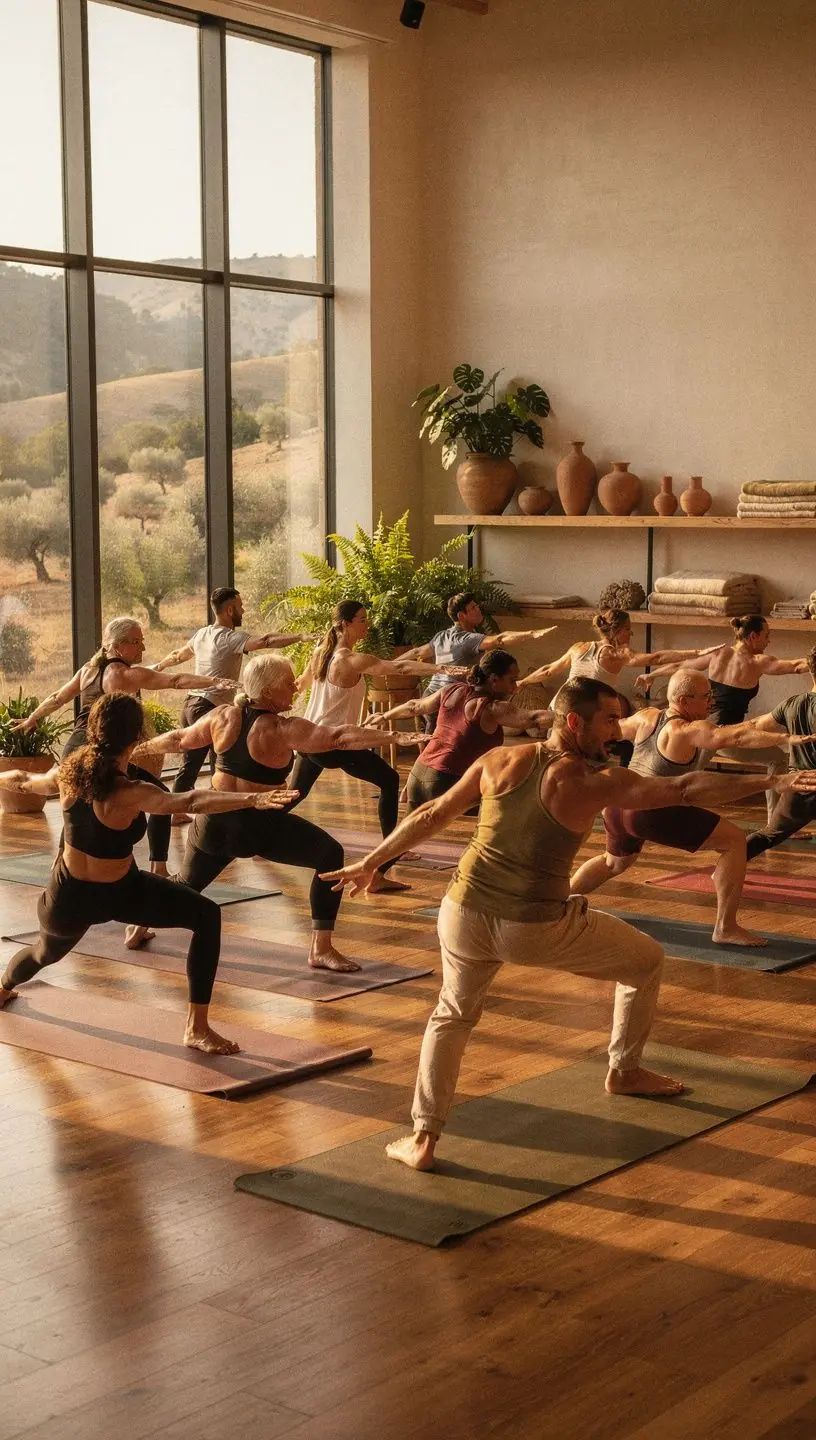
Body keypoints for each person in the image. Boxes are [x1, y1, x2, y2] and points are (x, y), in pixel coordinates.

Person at [319, 676, 816, 1171]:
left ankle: (423, 1138)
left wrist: (373, 863)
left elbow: (432, 812)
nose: (616, 731)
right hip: (534, 925)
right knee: (645, 962)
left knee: (452, 1015)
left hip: (461, 912)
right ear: (574, 722)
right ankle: (623, 1071)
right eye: (607, 721)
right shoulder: (594, 781)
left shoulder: (500, 760)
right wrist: (773, 781)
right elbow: (684, 788)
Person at [0, 693, 295, 1053]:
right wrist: (251, 799)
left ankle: (196, 1028)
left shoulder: (69, 773)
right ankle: (3, 986)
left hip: (106, 891)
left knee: (205, 915)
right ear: (137, 736)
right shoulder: (127, 789)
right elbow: (188, 802)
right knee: (43, 954)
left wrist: (7, 778)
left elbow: (25, 779)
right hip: (82, 898)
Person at [143, 652, 424, 970]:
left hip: (215, 823)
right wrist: (395, 736)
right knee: (329, 855)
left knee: (184, 885)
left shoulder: (222, 716)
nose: (295, 689)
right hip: (260, 827)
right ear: (267, 693)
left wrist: (137, 750)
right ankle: (320, 949)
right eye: (288, 684)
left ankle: (138, 921)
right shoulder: (280, 727)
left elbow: (180, 739)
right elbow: (338, 738)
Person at [11, 616, 230, 945]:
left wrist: (32, 719)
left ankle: (66, 893)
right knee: (158, 798)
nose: (142, 646)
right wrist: (217, 682)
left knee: (77, 824)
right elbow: (176, 680)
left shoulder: (89, 670)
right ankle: (156, 870)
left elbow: (58, 696)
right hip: (102, 754)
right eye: (137, 641)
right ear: (118, 644)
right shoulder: (125, 674)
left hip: (76, 752)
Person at [569, 668, 810, 945]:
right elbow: (737, 738)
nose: (712, 701)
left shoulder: (645, 717)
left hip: (616, 806)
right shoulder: (685, 729)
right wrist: (784, 739)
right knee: (734, 842)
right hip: (651, 810)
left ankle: (558, 902)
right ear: (684, 702)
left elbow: (608, 730)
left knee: (613, 863)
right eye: (705, 696)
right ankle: (725, 927)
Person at [288, 601, 466, 888]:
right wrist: (445, 668)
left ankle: (254, 832)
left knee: (294, 794)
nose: (366, 624)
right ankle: (390, 853)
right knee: (389, 779)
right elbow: (399, 667)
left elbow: (300, 684)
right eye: (361, 620)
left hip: (310, 739)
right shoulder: (349, 659)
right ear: (345, 624)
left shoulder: (321, 652)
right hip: (336, 744)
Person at [635, 614, 809, 821]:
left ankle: (647, 807)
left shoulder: (718, 653)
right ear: (753, 636)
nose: (768, 641)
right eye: (767, 635)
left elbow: (681, 666)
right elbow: (798, 666)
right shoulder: (757, 661)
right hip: (725, 736)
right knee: (777, 758)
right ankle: (775, 822)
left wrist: (651, 675)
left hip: (700, 731)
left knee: (683, 777)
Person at [153, 586, 312, 801]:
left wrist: (159, 667)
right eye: (240, 606)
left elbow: (179, 655)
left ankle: (215, 804)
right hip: (208, 705)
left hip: (192, 704)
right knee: (200, 763)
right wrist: (300, 637)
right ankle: (177, 810)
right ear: (229, 610)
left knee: (209, 763)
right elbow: (266, 641)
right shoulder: (229, 638)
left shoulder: (202, 634)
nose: (243, 611)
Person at [371, 650, 552, 811]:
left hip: (417, 775)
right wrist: (572, 717)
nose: (514, 688)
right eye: (511, 681)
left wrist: (384, 715)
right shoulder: (491, 708)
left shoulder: (451, 690)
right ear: (494, 679)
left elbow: (414, 706)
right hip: (444, 781)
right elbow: (534, 719)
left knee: (409, 835)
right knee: (516, 803)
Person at [398, 592, 558, 725]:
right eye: (473, 608)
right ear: (462, 615)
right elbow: (500, 639)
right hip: (446, 702)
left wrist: (391, 664)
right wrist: (532, 634)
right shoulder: (468, 638)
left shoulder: (441, 636)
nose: (478, 609)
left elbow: (417, 652)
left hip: (427, 697)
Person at [743, 645, 816, 857]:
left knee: (768, 835)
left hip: (798, 787)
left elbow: (758, 725)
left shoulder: (792, 704)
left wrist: (722, 731)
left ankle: (727, 864)